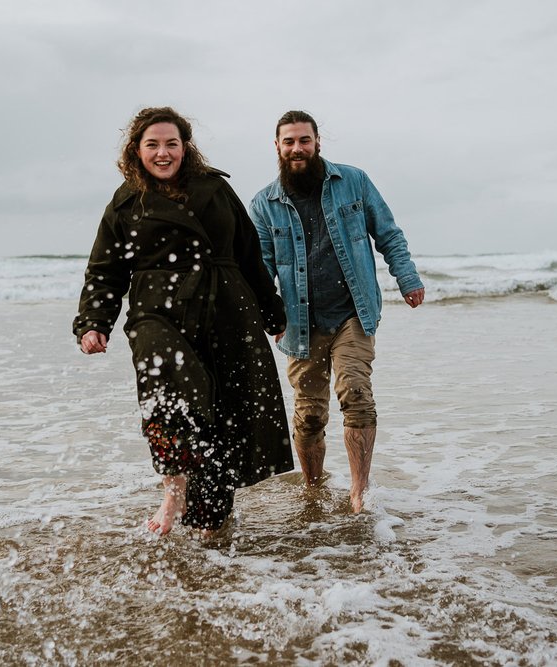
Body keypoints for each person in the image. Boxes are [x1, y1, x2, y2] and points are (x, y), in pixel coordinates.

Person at [73, 106, 293, 536]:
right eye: (152, 144)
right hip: (156, 312)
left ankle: (212, 521)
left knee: (224, 413)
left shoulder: (215, 189)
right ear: (136, 150)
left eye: (171, 143)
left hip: (226, 310)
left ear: (184, 146)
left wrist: (272, 311)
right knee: (170, 391)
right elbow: (105, 269)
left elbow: (249, 252)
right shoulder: (124, 202)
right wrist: (93, 321)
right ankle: (174, 488)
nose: (162, 153)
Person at [249, 110, 425, 513]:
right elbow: (260, 267)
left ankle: (358, 491)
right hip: (299, 322)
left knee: (357, 394)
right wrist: (268, 316)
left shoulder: (354, 181)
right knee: (309, 414)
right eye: (289, 141)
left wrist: (407, 278)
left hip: (353, 313)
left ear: (317, 143)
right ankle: (313, 488)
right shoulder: (264, 203)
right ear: (276, 146)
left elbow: (388, 232)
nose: (297, 148)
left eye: (304, 140)